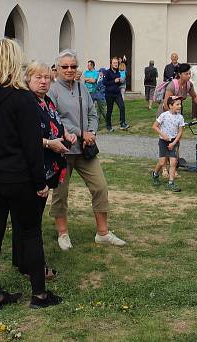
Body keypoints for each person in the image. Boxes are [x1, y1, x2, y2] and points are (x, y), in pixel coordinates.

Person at [0, 38, 61, 311]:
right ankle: (39, 295)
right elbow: (31, 146)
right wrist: (40, 182)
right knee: (31, 232)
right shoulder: (22, 99)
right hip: (18, 177)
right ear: (14, 62)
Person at [49, 50, 126, 250]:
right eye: (64, 67)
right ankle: (63, 233)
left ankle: (102, 232)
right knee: (60, 193)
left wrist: (90, 133)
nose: (69, 70)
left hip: (85, 149)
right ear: (57, 68)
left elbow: (92, 113)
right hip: (63, 150)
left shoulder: (83, 88)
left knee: (100, 186)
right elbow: (57, 119)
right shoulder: (52, 91)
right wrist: (82, 132)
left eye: (73, 66)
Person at [16, 61, 75, 281]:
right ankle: (31, 265)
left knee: (31, 218)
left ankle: (22, 260)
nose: (43, 81)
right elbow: (23, 137)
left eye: (46, 78)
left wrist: (66, 134)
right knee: (29, 222)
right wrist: (50, 144)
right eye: (38, 77)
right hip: (32, 170)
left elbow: (54, 124)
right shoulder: (27, 102)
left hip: (47, 169)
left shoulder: (46, 101)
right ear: (28, 79)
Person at [151, 96, 185, 192]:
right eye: (177, 104)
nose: (180, 106)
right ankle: (155, 174)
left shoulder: (180, 117)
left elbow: (180, 132)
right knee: (162, 162)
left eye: (180, 104)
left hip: (173, 142)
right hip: (163, 141)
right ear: (170, 105)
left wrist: (174, 143)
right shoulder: (164, 115)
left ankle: (171, 183)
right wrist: (163, 134)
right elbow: (154, 126)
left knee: (173, 162)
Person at [100, 57, 129, 132]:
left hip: (117, 93)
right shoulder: (107, 72)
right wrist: (114, 81)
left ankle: (122, 123)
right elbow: (104, 83)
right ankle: (108, 126)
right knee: (110, 110)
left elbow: (118, 83)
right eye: (114, 63)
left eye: (117, 63)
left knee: (122, 106)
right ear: (111, 64)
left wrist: (120, 81)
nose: (116, 64)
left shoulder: (118, 72)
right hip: (109, 94)